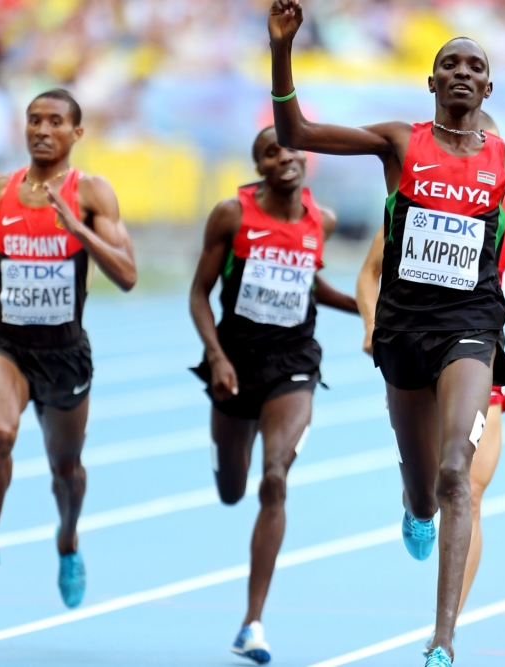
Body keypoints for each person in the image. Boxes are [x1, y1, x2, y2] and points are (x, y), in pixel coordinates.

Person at [268, 4, 505, 665]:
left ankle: (442, 639)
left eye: (475, 67)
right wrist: (282, 48)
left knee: (456, 471)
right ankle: (416, 509)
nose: (462, 73)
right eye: (449, 65)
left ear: (488, 88)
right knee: (424, 487)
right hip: (405, 329)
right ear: (432, 84)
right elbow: (296, 128)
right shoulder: (401, 143)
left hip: (472, 325)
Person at [357, 112, 505, 634]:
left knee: (467, 483)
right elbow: (371, 272)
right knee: (429, 485)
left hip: (473, 347)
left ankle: (445, 629)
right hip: (412, 342)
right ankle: (416, 503)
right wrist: (372, 326)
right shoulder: (419, 199)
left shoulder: (503, 213)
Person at [189, 126, 357, 664]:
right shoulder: (231, 215)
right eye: (270, 152)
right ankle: (226, 457)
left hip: (294, 363)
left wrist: (371, 308)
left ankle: (252, 622)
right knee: (232, 490)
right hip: (235, 364)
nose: (284, 156)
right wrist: (215, 356)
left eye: (290, 148)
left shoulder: (320, 220)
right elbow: (199, 293)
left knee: (275, 479)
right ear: (259, 166)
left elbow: (312, 287)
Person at [0, 89, 137, 608]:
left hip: (64, 353)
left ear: (76, 133)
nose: (42, 129)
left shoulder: (94, 192)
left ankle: (68, 540)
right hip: (5, 343)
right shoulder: (0, 188)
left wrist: (77, 225)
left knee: (67, 470)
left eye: (56, 121)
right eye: (34, 120)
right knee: (0, 431)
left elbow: (128, 275)